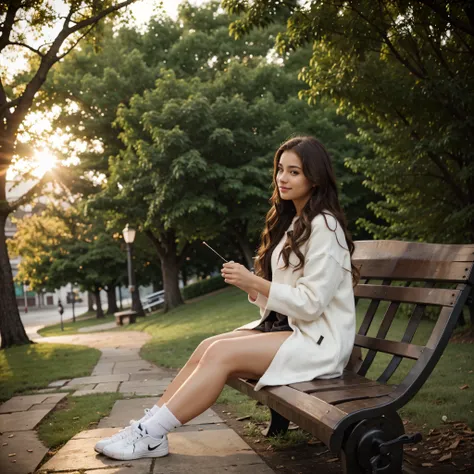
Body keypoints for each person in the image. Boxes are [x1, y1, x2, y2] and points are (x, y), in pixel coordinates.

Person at [95, 135, 359, 461]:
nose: (282, 178)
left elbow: (312, 303)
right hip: (294, 331)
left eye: (294, 172)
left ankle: (150, 433)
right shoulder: (296, 223)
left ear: (315, 179)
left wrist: (256, 283)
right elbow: (288, 296)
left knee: (222, 354)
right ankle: (149, 429)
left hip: (320, 343)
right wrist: (252, 288)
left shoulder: (325, 227)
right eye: (280, 169)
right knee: (207, 346)